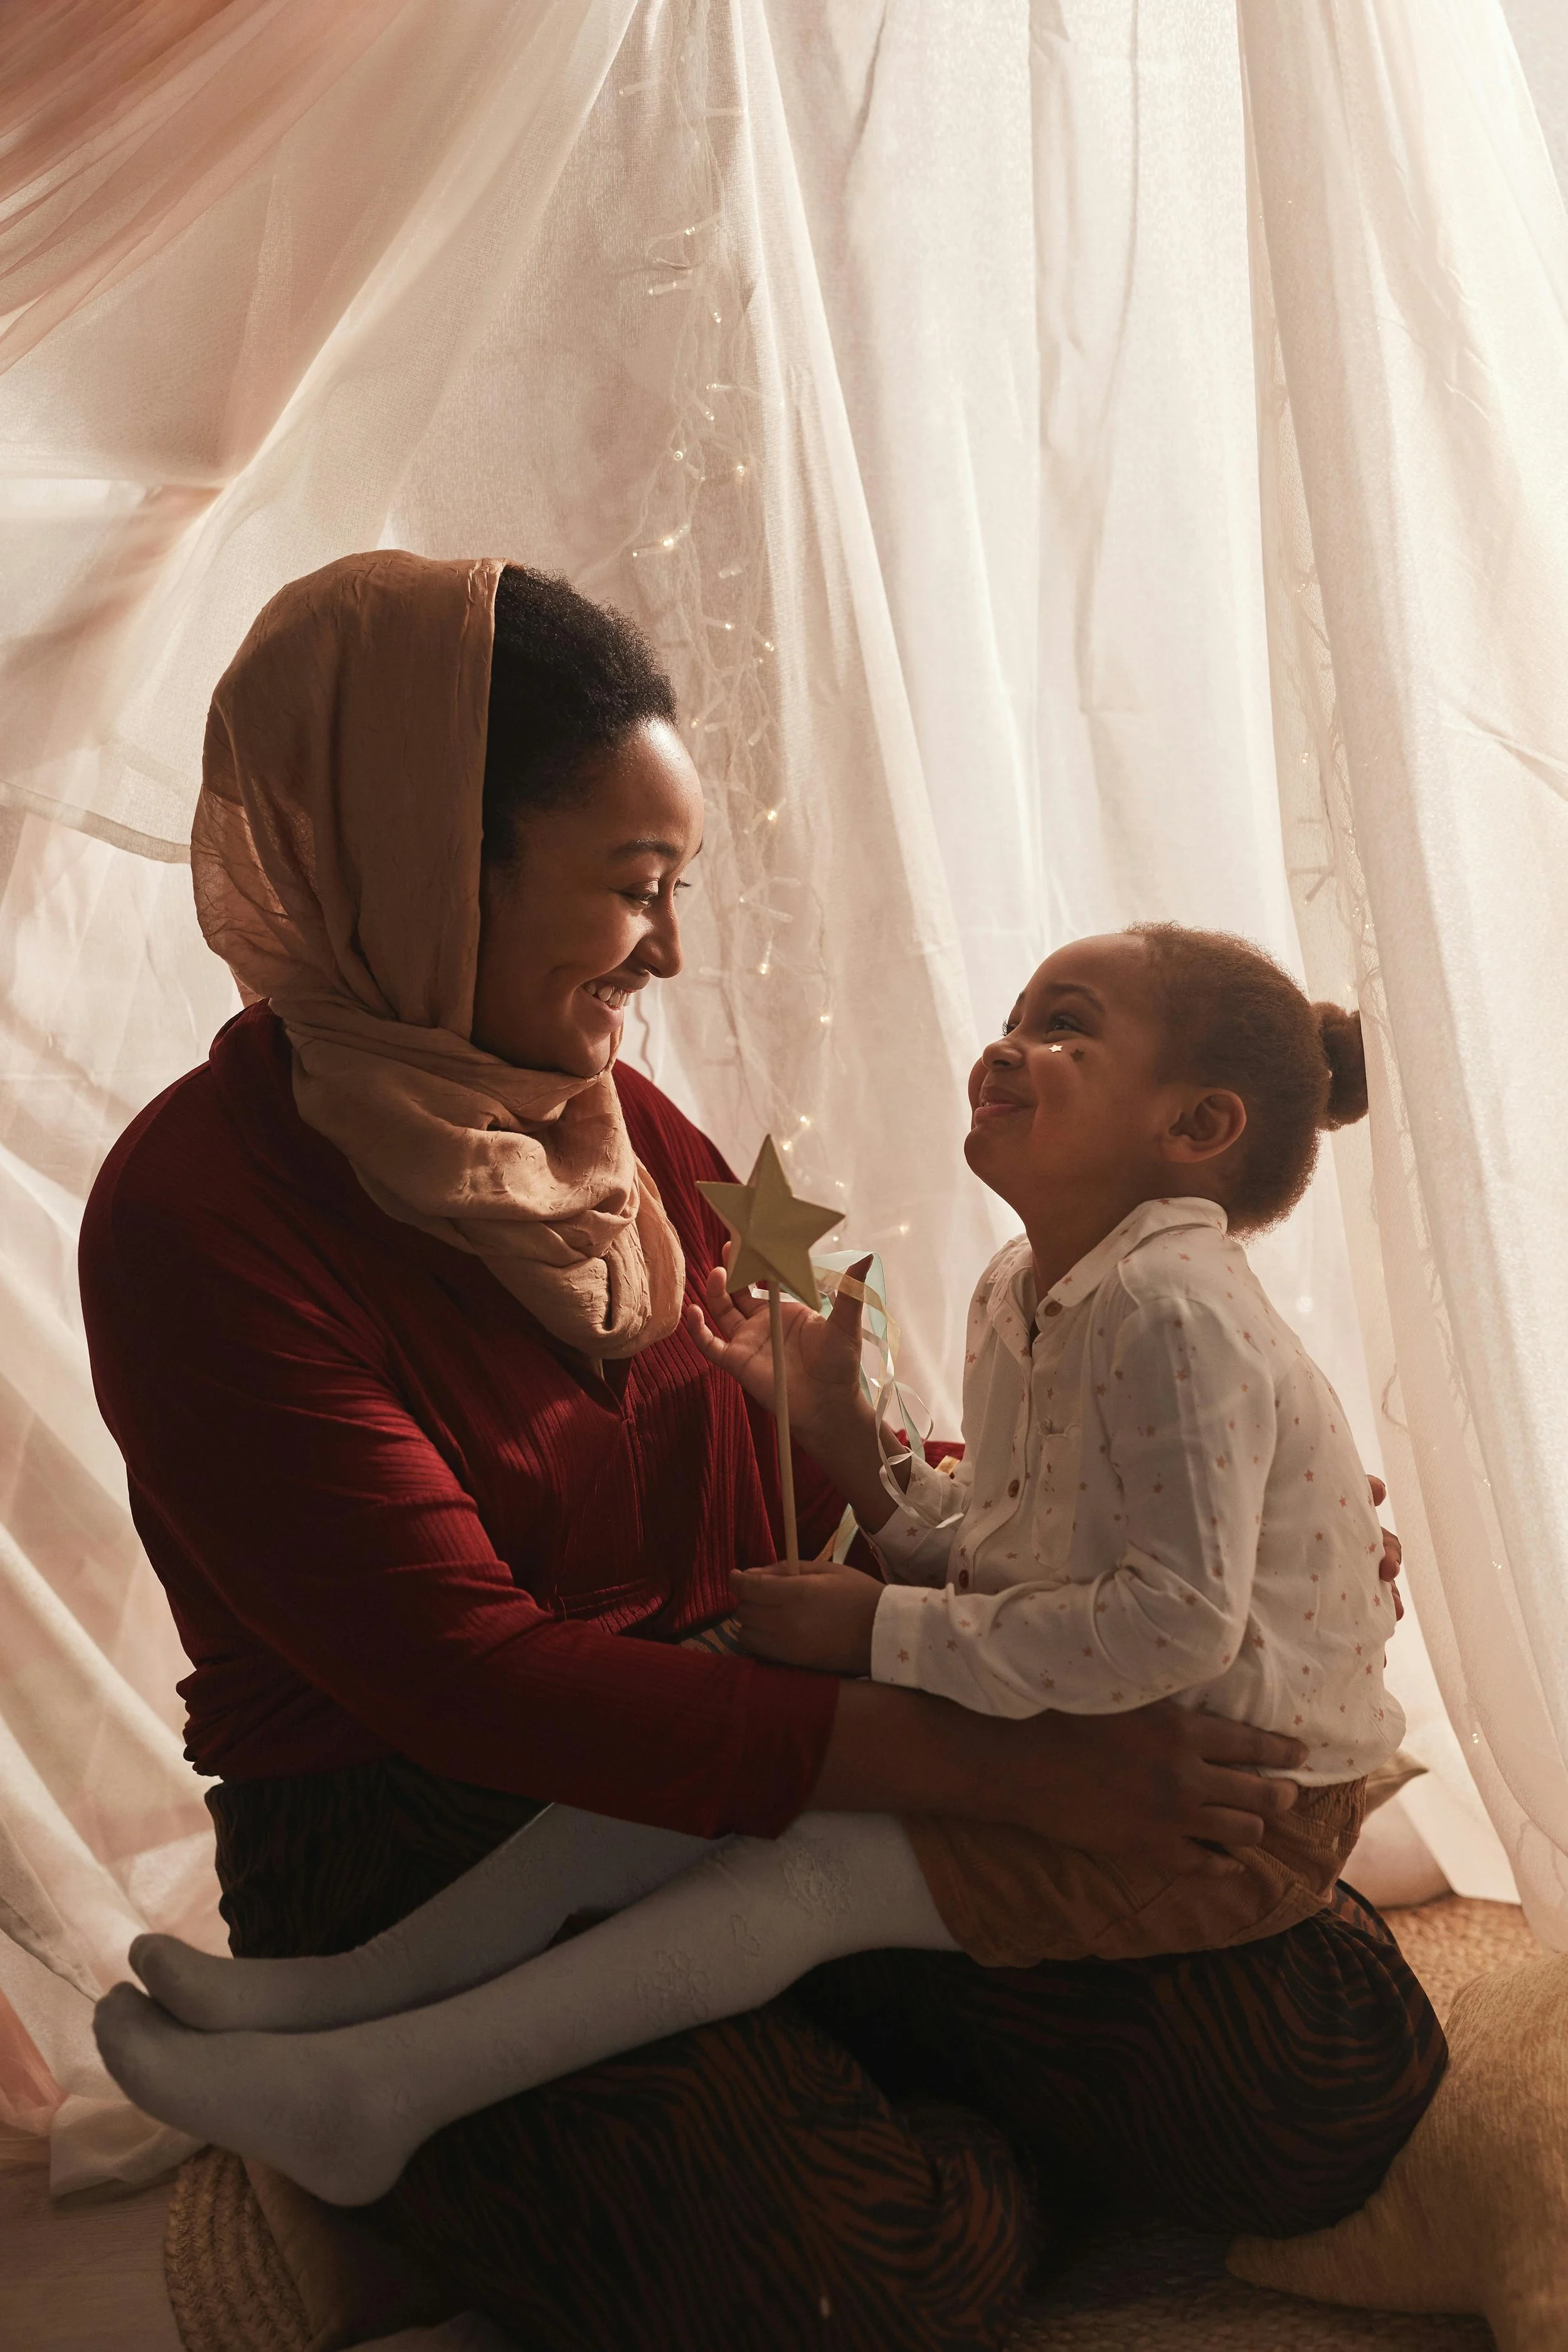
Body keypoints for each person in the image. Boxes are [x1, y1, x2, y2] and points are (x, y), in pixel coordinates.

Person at [80, 550, 1439, 2352]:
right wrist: (1001, 1772)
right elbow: (472, 1679)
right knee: (853, 2264)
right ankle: (428, 2106)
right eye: (631, 889)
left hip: (782, 1711)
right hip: (440, 1821)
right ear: (418, 859)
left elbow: (812, 1418)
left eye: (680, 888)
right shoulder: (200, 1222)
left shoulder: (628, 1123)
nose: (668, 951)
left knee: (1326, 2065)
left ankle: (633, 2096)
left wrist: (1214, 1513)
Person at [97, 921, 1417, 2211]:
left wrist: (880, 1636)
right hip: (1086, 1708)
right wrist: (864, 1465)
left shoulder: (1170, 1309)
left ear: (1195, 1130)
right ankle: (356, 1992)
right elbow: (1014, 1552)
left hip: (1228, 1800)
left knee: (806, 1876)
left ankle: (373, 2095)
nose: (1006, 1045)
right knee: (746, 1731)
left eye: (1062, 1028)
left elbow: (1170, 1629)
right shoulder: (1028, 1286)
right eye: (1015, 1014)